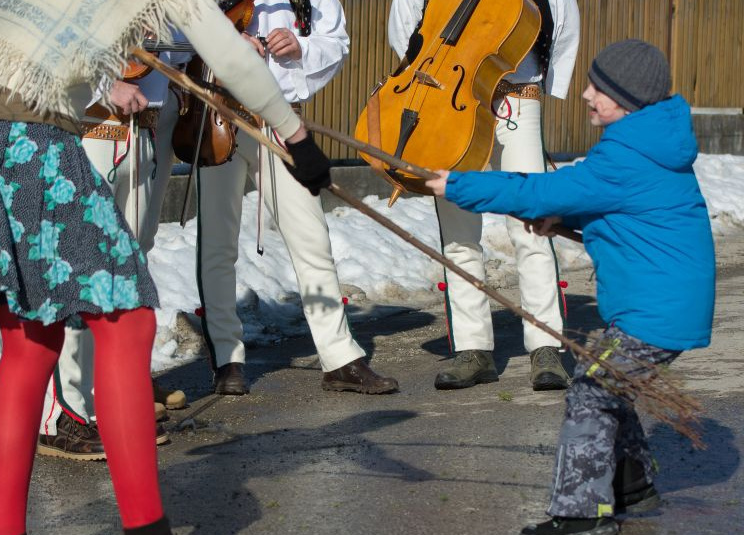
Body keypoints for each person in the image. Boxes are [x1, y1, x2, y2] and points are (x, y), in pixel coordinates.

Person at [0, 0, 331, 533]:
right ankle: (148, 526)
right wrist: (295, 135)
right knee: (128, 319)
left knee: (30, 343)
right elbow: (232, 59)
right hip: (28, 143)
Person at [424, 39, 716, 535]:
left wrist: (459, 186)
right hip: (665, 305)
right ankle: (632, 486)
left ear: (625, 100)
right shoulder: (650, 144)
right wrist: (562, 216)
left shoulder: (626, 157)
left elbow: (539, 189)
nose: (584, 94)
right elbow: (614, 204)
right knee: (605, 382)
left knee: (590, 389)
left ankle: (582, 515)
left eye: (597, 89)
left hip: (658, 312)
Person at [196, 0, 399, 396]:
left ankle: (340, 358)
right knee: (218, 245)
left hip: (282, 120)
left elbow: (337, 43)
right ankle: (226, 358)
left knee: (312, 238)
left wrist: (301, 47)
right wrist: (225, 42)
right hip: (219, 116)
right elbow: (180, 28)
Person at [388, 0, 580, 391]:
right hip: (450, 99)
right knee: (458, 231)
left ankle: (546, 346)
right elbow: (406, 25)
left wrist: (547, 81)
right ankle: (472, 348)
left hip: (517, 96)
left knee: (531, 224)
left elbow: (563, 19)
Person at [38, 50, 191, 461]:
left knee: (125, 276)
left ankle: (109, 403)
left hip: (144, 130)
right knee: (79, 272)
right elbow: (55, 44)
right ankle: (63, 416)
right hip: (91, 125)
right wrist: (105, 84)